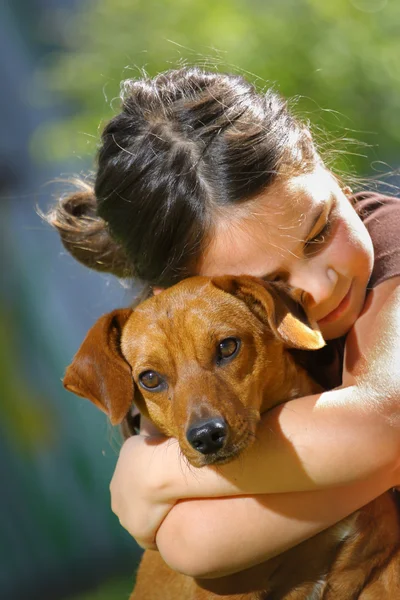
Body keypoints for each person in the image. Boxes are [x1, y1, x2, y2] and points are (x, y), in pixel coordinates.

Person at [47, 67, 400, 585]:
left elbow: (382, 425)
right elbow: (194, 544)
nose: (319, 287)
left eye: (321, 229)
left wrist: (152, 474)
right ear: (183, 294)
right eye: (273, 282)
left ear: (322, 164)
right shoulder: (171, 343)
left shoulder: (390, 243)